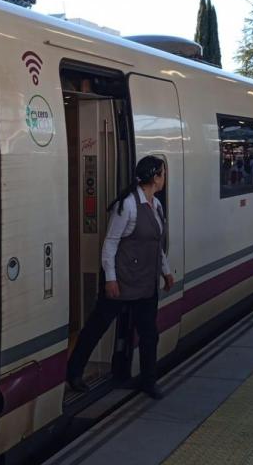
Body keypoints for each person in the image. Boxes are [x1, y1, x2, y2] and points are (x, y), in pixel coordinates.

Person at [66, 156, 175, 399]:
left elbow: (156, 245)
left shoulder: (155, 205)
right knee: (97, 326)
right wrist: (111, 280)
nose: (164, 178)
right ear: (155, 177)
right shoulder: (127, 206)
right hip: (122, 281)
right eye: (163, 174)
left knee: (149, 334)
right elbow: (110, 244)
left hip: (146, 283)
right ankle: (73, 372)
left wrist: (165, 271)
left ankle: (148, 381)